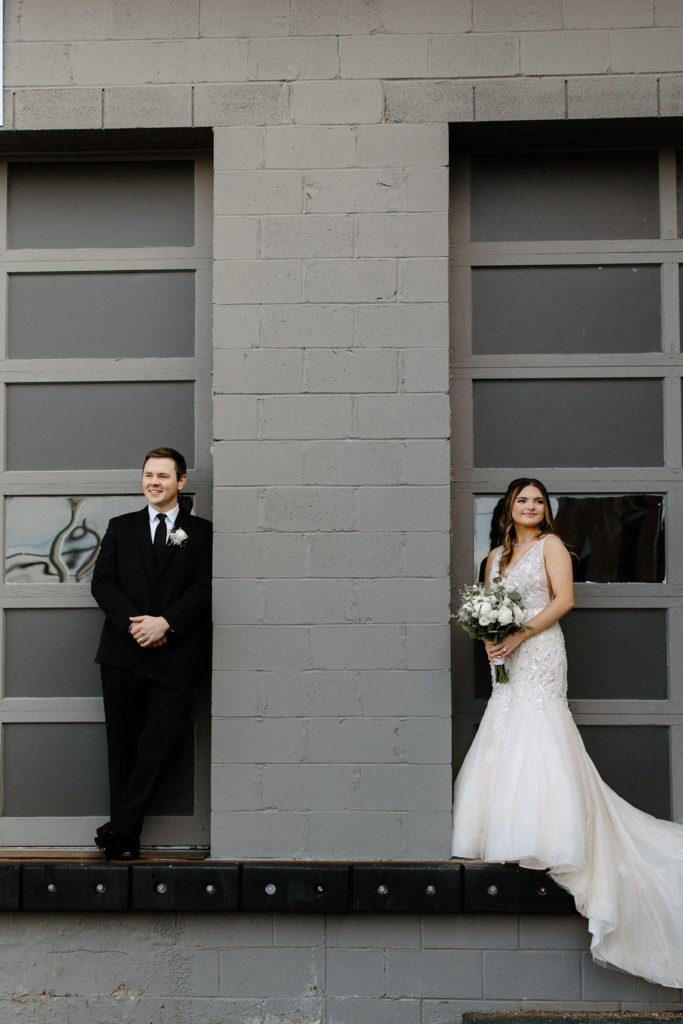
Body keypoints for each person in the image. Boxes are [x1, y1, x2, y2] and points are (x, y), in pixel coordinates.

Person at [452, 478, 683, 989]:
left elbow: (563, 600)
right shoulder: (492, 557)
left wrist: (516, 634)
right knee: (506, 722)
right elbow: (488, 604)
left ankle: (552, 832)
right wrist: (491, 636)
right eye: (523, 500)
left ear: (545, 510)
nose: (531, 507)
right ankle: (504, 829)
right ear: (509, 508)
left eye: (539, 501)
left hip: (538, 651)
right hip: (504, 657)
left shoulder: (553, 546)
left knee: (540, 726)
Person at [91, 447, 212, 860]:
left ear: (180, 482)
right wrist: (136, 624)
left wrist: (166, 623)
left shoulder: (202, 533)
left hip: (176, 657)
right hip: (123, 654)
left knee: (161, 744)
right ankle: (126, 841)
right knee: (122, 748)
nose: (154, 482)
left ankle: (118, 827)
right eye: (148, 475)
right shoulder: (120, 527)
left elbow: (204, 587)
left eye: (163, 475)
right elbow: (103, 583)